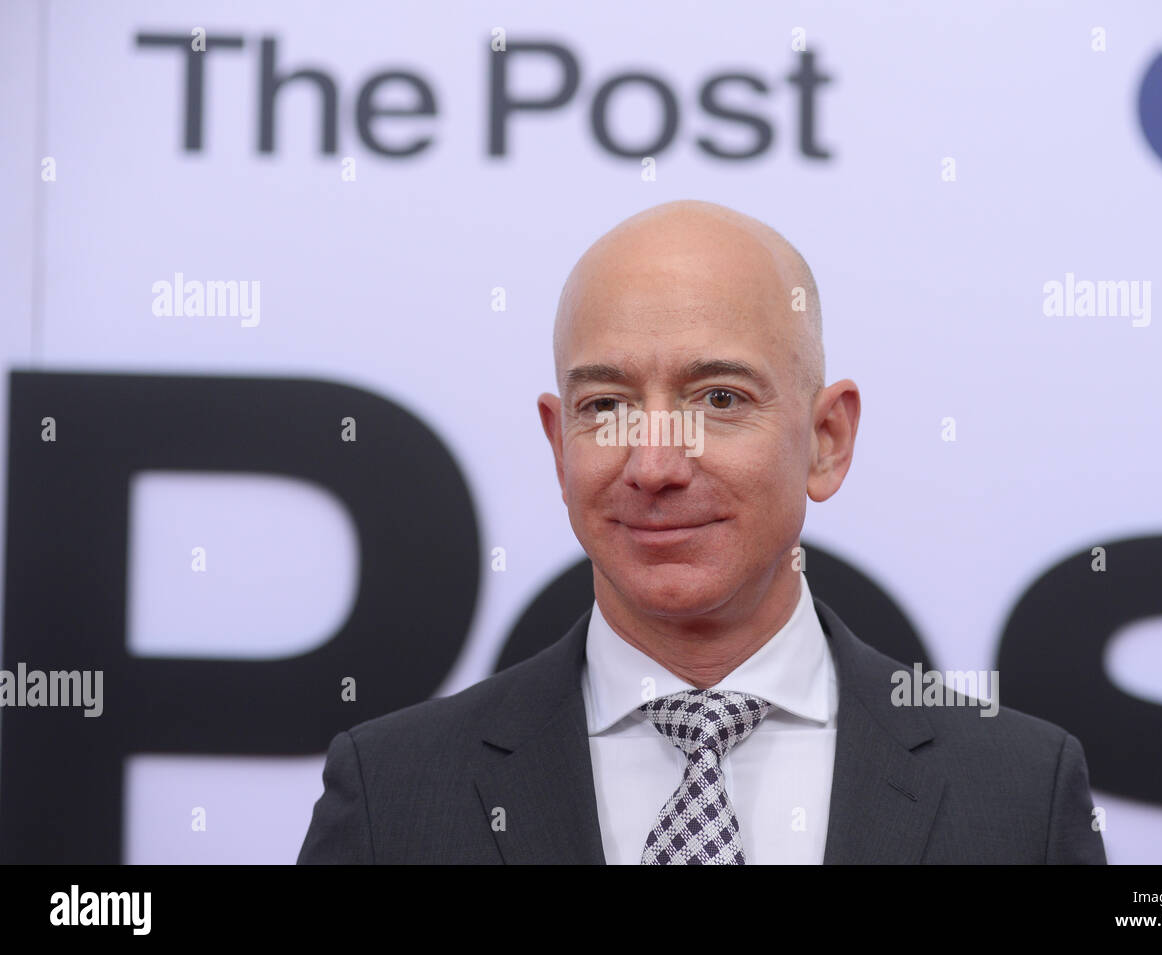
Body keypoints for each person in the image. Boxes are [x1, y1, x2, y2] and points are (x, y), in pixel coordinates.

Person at [298, 200, 1106, 864]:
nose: (652, 465)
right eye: (605, 406)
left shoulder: (1018, 792)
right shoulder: (391, 794)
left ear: (826, 440)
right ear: (558, 445)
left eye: (719, 399)